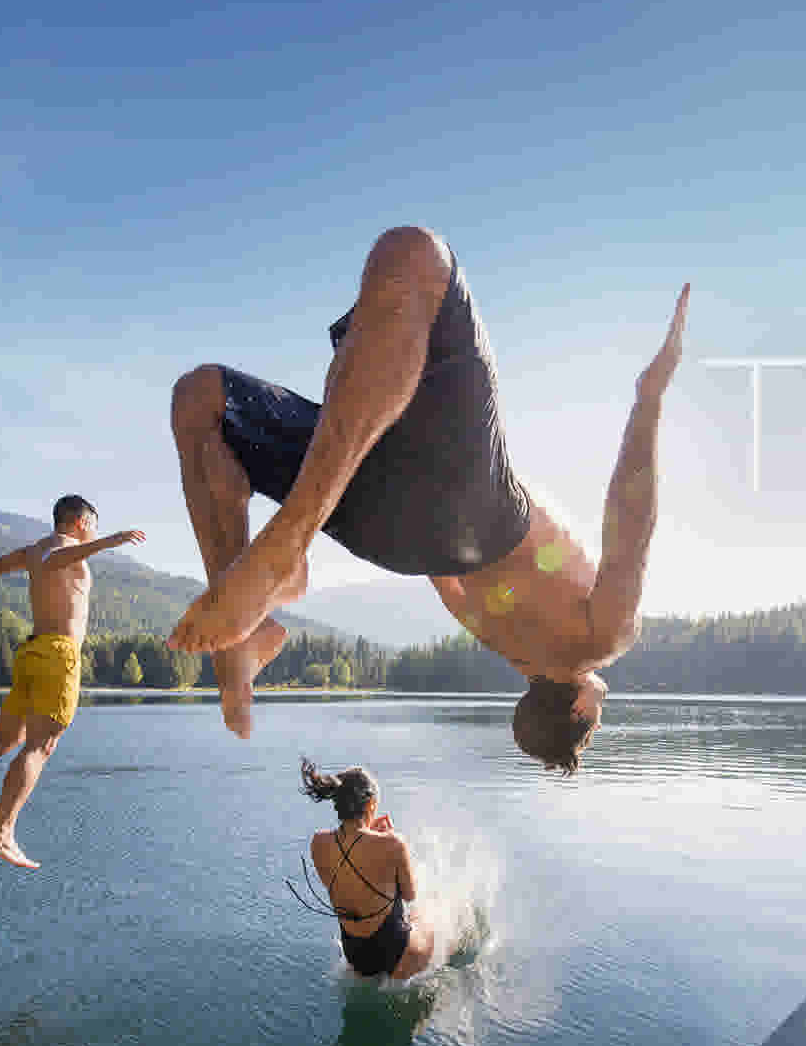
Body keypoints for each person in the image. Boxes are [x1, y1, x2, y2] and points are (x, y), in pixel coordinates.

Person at [165, 225, 685, 774]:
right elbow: (449, 590)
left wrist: (648, 399)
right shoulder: (510, 644)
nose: (601, 707)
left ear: (578, 704)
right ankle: (239, 643)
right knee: (203, 402)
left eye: (595, 718)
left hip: (474, 510)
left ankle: (281, 549)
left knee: (414, 256)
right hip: (397, 538)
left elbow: (631, 524)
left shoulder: (605, 639)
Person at [0, 495, 146, 869]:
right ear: (83, 522)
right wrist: (108, 543)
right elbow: (57, 562)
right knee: (42, 745)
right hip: (59, 654)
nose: (95, 533)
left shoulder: (35, 551)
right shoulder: (64, 553)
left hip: (31, 652)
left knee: (4, 740)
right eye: (94, 527)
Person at [293, 759, 438, 981]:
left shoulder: (318, 842)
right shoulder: (393, 843)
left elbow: (345, 882)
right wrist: (386, 839)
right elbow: (410, 895)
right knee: (429, 913)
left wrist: (371, 835)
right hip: (397, 951)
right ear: (370, 804)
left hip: (356, 956)